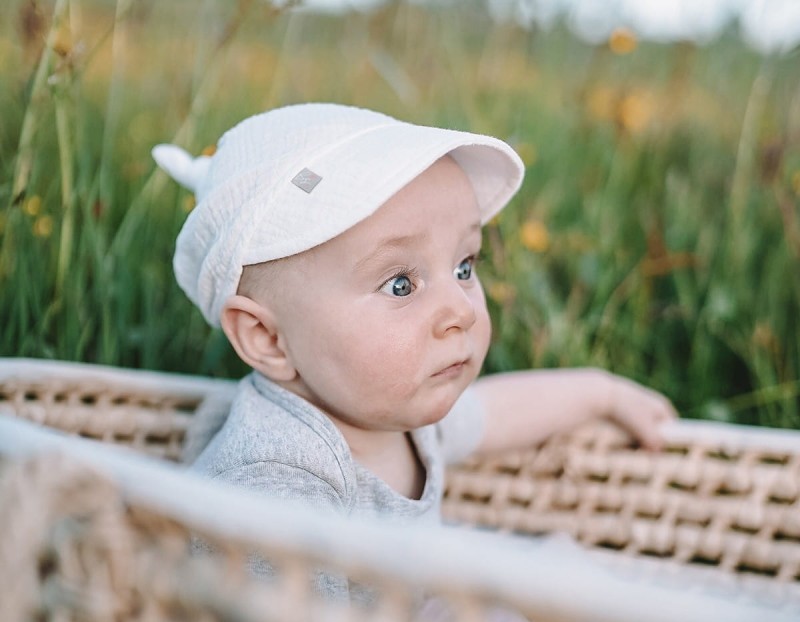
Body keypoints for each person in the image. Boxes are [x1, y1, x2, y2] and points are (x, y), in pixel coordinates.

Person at [152, 102, 675, 522]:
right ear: (268, 338)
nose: (461, 311)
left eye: (465, 266)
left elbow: (495, 414)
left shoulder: (392, 408)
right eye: (400, 284)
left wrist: (601, 391)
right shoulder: (274, 480)